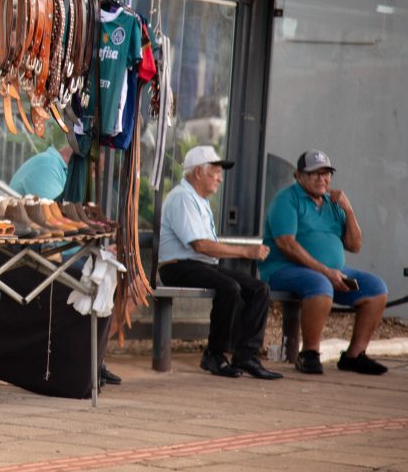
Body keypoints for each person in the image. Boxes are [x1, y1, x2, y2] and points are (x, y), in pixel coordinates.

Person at [158, 145, 282, 379]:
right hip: (177, 266)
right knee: (229, 287)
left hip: (201, 265)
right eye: (215, 173)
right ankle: (214, 355)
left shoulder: (200, 199)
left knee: (259, 289)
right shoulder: (182, 197)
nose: (220, 179)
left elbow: (204, 249)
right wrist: (246, 252)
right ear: (198, 173)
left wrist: (244, 252)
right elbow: (200, 245)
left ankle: (246, 355)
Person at [259, 150, 388, 375]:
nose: (322, 179)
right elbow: (286, 244)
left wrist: (348, 209)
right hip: (285, 269)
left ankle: (354, 356)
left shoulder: (333, 202)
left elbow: (355, 245)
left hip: (331, 272)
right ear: (298, 175)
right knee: (320, 285)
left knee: (376, 289)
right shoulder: (286, 200)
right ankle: (309, 353)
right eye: (315, 173)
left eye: (326, 173)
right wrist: (326, 272)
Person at [8, 144, 123, 387]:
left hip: (50, 253)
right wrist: (96, 249)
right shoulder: (47, 167)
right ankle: (82, 363)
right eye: (95, 170)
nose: (95, 175)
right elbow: (56, 230)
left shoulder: (66, 173)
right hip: (28, 258)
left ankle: (93, 358)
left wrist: (100, 250)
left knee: (111, 273)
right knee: (95, 276)